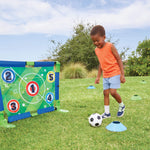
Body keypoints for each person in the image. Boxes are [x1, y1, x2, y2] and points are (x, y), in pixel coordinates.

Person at [90, 25, 126, 119]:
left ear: (104, 37)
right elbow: (101, 63)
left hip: (114, 72)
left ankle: (121, 105)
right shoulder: (96, 50)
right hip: (106, 74)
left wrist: (122, 74)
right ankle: (107, 113)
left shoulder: (110, 46)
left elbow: (118, 59)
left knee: (113, 92)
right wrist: (98, 77)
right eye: (94, 41)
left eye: (98, 40)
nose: (96, 43)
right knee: (105, 93)